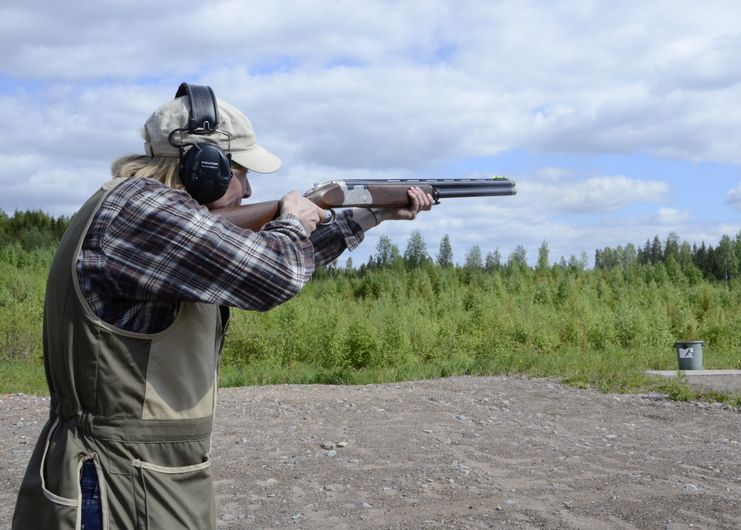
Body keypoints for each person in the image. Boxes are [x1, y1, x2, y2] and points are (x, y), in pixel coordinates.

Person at [12, 83, 432, 529]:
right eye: (239, 171)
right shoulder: (142, 211)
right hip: (117, 479)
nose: (249, 189)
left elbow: (242, 261)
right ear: (202, 167)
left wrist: (371, 212)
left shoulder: (139, 207)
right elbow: (274, 274)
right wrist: (291, 219)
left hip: (140, 470)